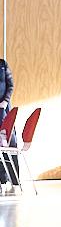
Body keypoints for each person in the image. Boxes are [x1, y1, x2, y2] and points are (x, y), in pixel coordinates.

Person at [0, 57, 18, 191]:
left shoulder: (3, 64)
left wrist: (5, 101)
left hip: (3, 110)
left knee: (9, 142)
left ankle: (13, 179)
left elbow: (10, 85)